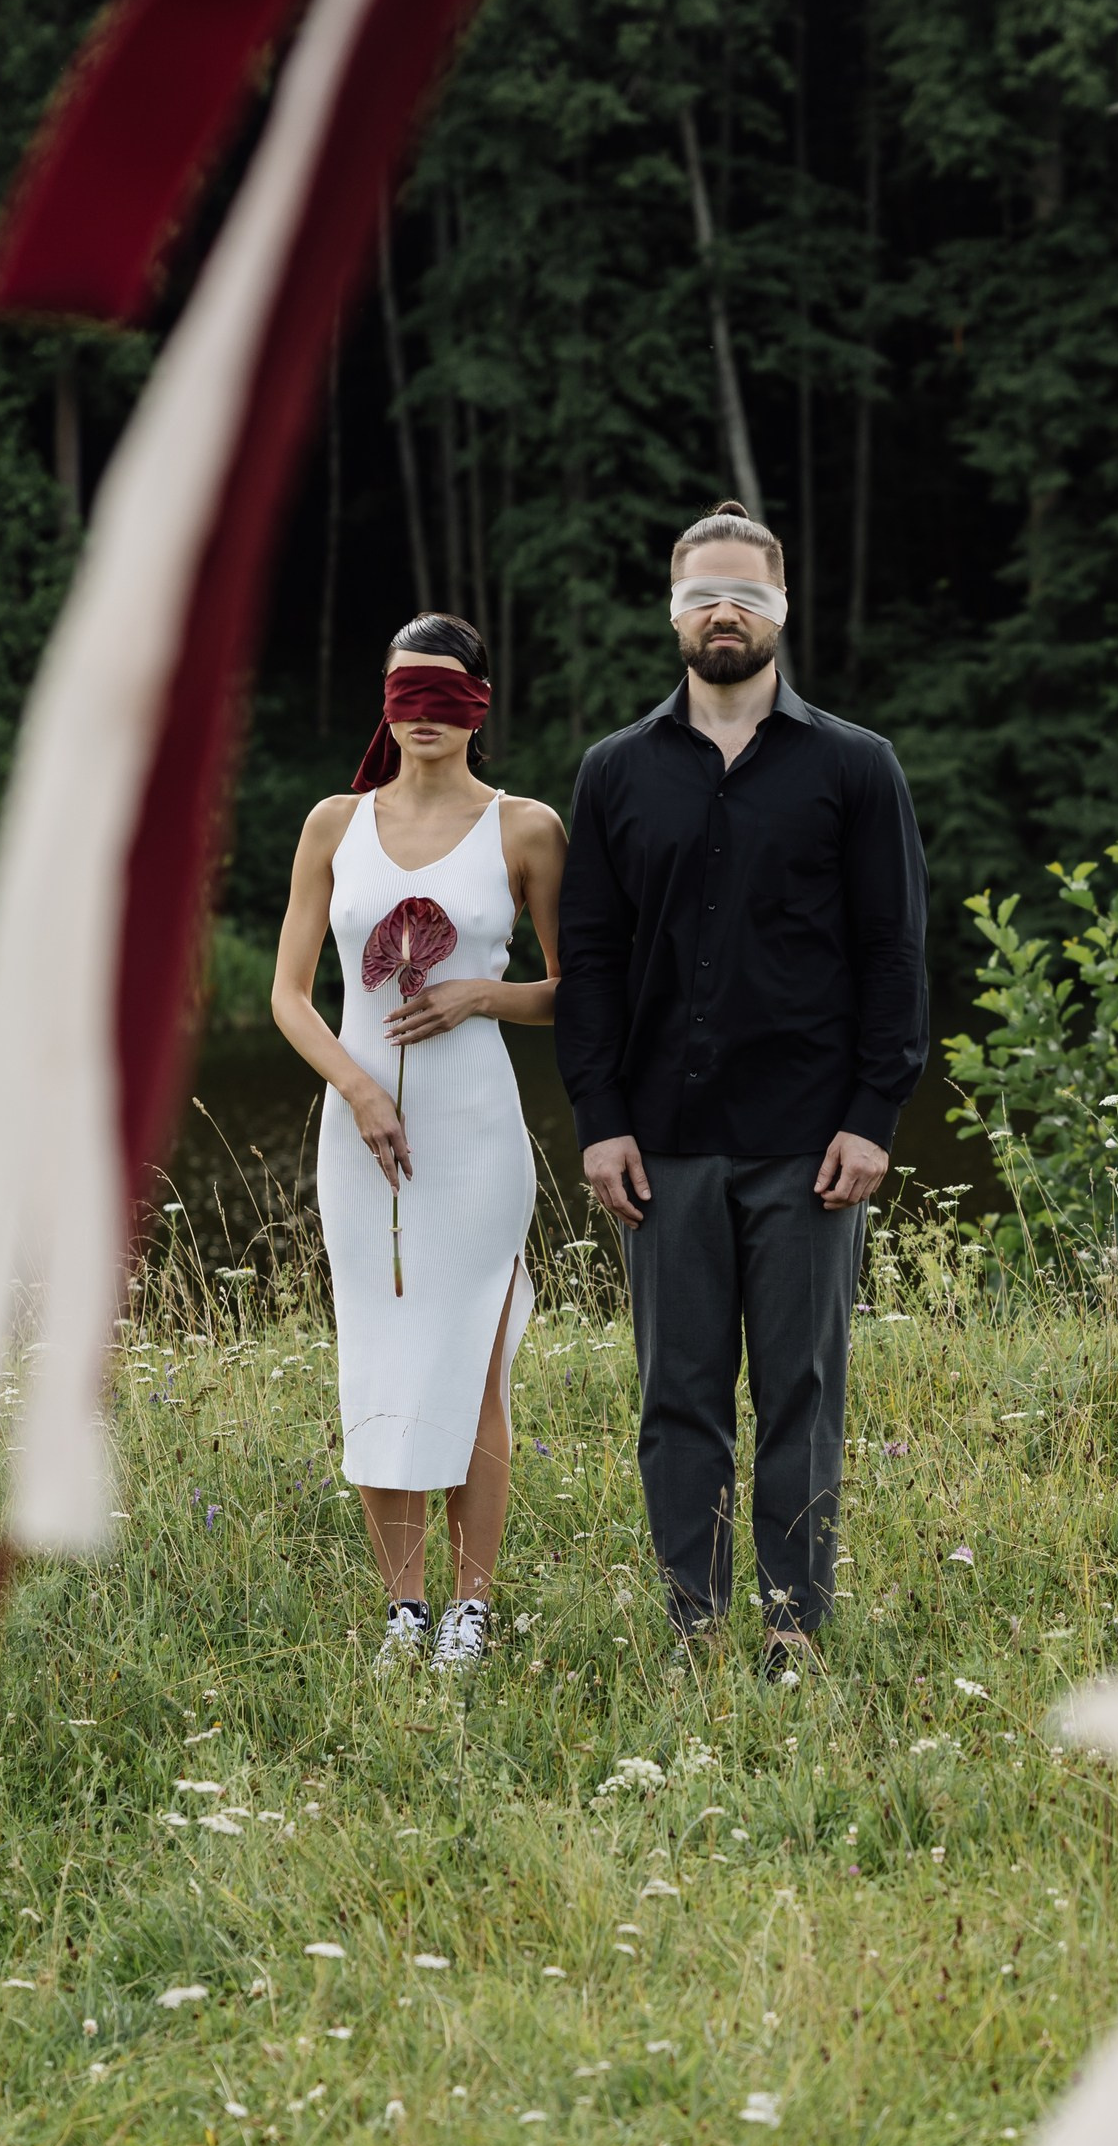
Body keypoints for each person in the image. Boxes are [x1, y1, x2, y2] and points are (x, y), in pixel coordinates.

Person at [556, 501, 928, 1672]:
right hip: (660, 1141)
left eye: (747, 596)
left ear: (780, 610)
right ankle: (692, 1622)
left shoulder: (854, 767)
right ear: (674, 612)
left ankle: (792, 1625)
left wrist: (872, 1117)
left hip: (807, 1142)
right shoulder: (614, 772)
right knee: (675, 1398)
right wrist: (599, 1119)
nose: (725, 613)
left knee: (801, 1392)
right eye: (703, 595)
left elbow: (893, 953)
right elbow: (591, 960)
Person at [272, 612, 565, 1671]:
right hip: (362, 1142)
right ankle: (403, 1608)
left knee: (472, 1368)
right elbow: (289, 995)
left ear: (479, 707)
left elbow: (579, 991)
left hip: (476, 1137)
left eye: (446, 696)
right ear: (386, 704)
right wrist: (356, 1089)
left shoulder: (525, 829)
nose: (425, 716)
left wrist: (483, 995)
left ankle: (469, 1610)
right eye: (408, 694)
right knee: (381, 1363)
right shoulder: (333, 825)